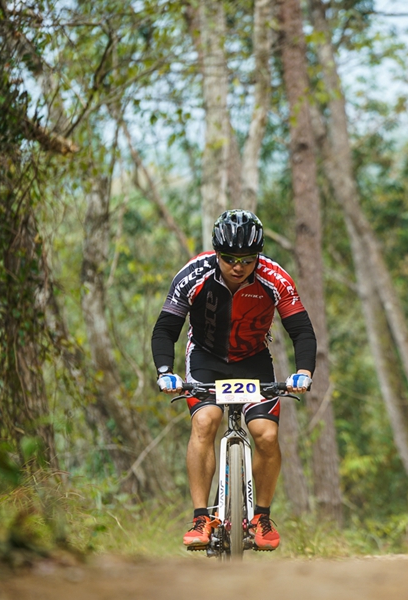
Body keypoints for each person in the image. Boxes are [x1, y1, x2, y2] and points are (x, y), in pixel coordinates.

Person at [152, 209, 316, 551]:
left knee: (266, 435)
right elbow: (166, 329)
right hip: (206, 359)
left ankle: (261, 517)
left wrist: (304, 372)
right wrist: (166, 373)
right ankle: (201, 517)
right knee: (205, 422)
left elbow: (301, 330)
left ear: (259, 255)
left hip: (253, 361)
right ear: (216, 252)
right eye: (228, 258)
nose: (237, 266)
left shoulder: (276, 278)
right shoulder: (194, 274)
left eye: (247, 259)